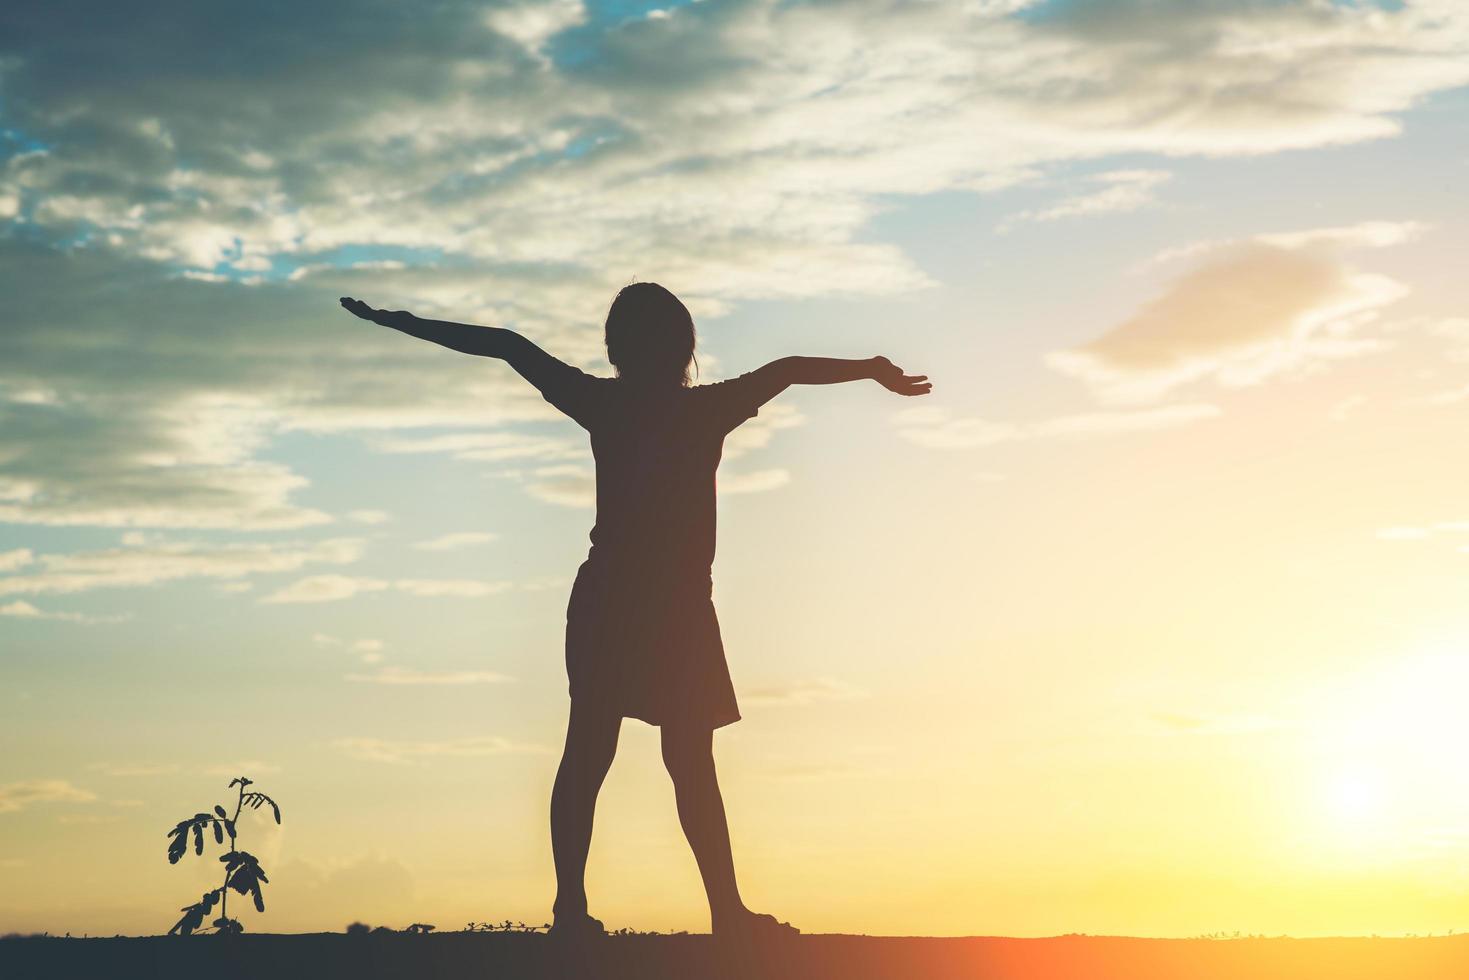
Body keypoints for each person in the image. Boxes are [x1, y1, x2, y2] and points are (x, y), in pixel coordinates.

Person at [340, 284, 930, 941]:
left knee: (601, 751)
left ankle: (595, 911)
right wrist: (872, 368)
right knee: (669, 758)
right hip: (658, 605)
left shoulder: (606, 401)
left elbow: (506, 346)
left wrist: (402, 321)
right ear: (684, 348)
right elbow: (789, 368)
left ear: (617, 349)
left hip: (629, 601)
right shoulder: (700, 408)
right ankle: (708, 914)